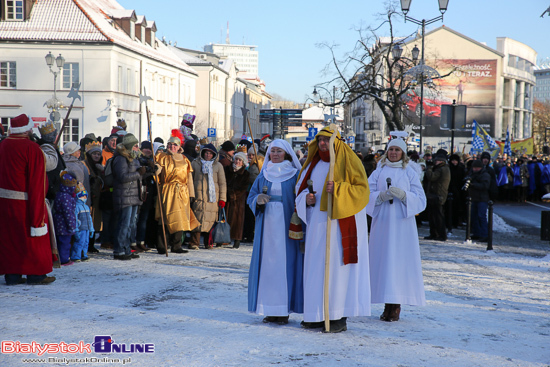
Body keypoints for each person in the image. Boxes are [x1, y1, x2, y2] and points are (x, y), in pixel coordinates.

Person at [295, 126, 371, 333]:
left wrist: (338, 190)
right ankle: (316, 315)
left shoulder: (349, 160)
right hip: (317, 226)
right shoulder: (313, 164)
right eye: (320, 140)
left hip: (340, 224)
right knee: (316, 268)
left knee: (338, 270)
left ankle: (337, 316)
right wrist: (306, 199)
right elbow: (299, 189)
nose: (322, 144)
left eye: (327, 140)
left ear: (335, 142)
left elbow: (362, 191)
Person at [366, 135, 427, 322]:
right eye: (391, 149)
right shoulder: (378, 172)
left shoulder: (409, 172)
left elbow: (421, 198)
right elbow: (366, 194)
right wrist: (379, 197)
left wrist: (404, 195)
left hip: (402, 225)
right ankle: (387, 303)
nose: (393, 153)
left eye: (397, 150)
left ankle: (396, 304)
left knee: (399, 262)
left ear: (403, 153)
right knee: (385, 262)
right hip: (383, 223)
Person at [247, 139, 304, 325]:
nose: (275, 154)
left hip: (287, 229)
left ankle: (283, 309)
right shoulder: (264, 175)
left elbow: (301, 199)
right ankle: (269, 308)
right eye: (272, 151)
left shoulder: (295, 174)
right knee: (268, 267)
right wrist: (258, 199)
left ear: (287, 154)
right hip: (267, 229)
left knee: (284, 266)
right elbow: (251, 196)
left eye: (279, 151)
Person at [0, 114, 56, 285]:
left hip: (4, 201)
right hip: (26, 202)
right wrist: (38, 209)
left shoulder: (3, 145)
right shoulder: (31, 149)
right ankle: (36, 274)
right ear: (27, 130)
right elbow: (36, 181)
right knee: (33, 239)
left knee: (10, 239)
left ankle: (12, 274)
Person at [154, 130, 198, 254]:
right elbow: (157, 172)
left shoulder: (185, 159)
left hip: (182, 192)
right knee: (165, 218)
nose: (172, 147)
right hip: (167, 191)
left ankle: (176, 245)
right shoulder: (161, 157)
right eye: (170, 144)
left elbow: (189, 178)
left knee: (180, 218)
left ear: (179, 147)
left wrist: (191, 194)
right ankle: (162, 245)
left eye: (175, 145)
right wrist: (155, 168)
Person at [111, 133, 146, 260]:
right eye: (136, 145)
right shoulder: (121, 158)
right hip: (124, 196)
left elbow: (138, 175)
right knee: (124, 224)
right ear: (130, 146)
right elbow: (122, 177)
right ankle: (119, 250)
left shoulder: (134, 157)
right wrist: (138, 173)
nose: (138, 147)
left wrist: (148, 170)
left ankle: (126, 249)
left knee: (131, 224)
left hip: (133, 195)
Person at [190, 143, 227, 249]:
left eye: (210, 153)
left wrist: (222, 199)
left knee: (210, 222)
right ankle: (194, 243)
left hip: (212, 199)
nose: (208, 155)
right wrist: (191, 195)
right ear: (202, 153)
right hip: (198, 197)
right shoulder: (195, 163)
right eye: (206, 153)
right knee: (196, 220)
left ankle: (208, 242)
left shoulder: (218, 166)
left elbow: (222, 183)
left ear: (214, 155)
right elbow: (191, 180)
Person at [224, 151, 250, 249]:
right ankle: (224, 238)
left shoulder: (245, 173)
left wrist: (234, 195)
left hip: (239, 200)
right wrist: (228, 193)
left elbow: (244, 188)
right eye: (236, 159)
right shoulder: (228, 170)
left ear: (243, 162)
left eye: (240, 160)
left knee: (238, 221)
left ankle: (237, 239)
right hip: (227, 198)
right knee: (226, 218)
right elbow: (224, 182)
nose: (237, 161)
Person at [53, 171, 78, 266]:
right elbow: (68, 213)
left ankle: (59, 257)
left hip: (59, 222)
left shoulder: (60, 194)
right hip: (64, 224)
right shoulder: (66, 197)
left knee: (59, 242)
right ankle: (63, 259)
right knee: (65, 243)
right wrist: (72, 226)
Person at [83, 140, 104, 253]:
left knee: (95, 222)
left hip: (97, 199)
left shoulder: (99, 167)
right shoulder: (84, 165)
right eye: (94, 154)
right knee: (86, 221)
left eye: (98, 154)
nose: (96, 156)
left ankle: (91, 244)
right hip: (87, 199)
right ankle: (85, 245)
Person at [424, 153, 450, 241]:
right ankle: (435, 234)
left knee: (438, 216)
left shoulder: (442, 169)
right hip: (436, 195)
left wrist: (429, 168)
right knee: (433, 216)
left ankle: (441, 235)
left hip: (438, 196)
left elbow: (431, 177)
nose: (435, 162)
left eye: (437, 161)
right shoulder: (443, 168)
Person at [465, 160, 491, 242]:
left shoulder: (485, 175)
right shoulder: (471, 174)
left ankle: (485, 234)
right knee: (473, 217)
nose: (475, 169)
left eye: (477, 168)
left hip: (482, 198)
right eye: (474, 168)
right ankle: (477, 233)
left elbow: (485, 186)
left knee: (481, 216)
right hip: (474, 198)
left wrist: (473, 185)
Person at [63, 141, 91, 207]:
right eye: (77, 150)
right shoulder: (71, 166)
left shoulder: (77, 164)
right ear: (72, 153)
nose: (79, 152)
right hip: (78, 201)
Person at [71, 183, 94, 262]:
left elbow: (90, 218)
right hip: (81, 229)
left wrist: (91, 228)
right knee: (79, 242)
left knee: (86, 242)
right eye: (83, 196)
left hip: (87, 228)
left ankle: (84, 255)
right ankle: (75, 256)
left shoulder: (87, 207)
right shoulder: (76, 206)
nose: (85, 198)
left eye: (86, 196)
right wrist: (76, 229)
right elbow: (75, 218)